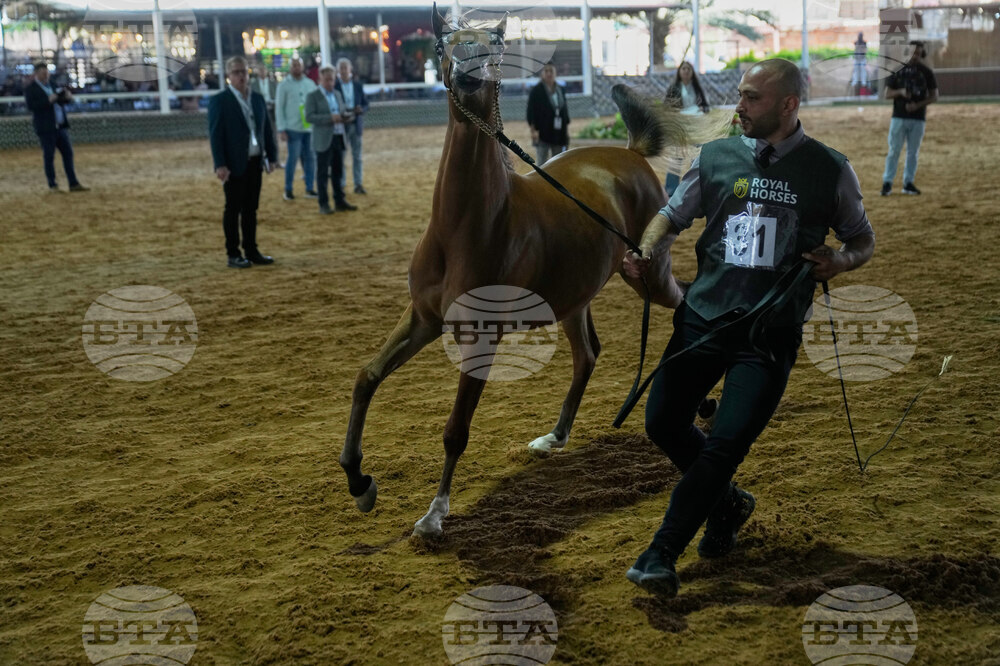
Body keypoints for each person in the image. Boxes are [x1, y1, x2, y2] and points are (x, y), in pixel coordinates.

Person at [621, 59, 875, 598]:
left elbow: (862, 238)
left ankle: (662, 552)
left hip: (769, 334)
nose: (739, 106)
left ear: (789, 105)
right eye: (740, 95)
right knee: (663, 423)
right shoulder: (714, 157)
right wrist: (646, 251)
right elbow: (671, 213)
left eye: (753, 98)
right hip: (703, 318)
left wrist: (842, 261)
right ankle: (730, 503)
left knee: (724, 445)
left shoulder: (830, 170)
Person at [208, 56, 278, 269]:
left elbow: (267, 129)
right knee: (232, 209)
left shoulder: (257, 98)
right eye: (236, 72)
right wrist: (220, 164)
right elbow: (216, 135)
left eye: (244, 72)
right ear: (229, 76)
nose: (241, 76)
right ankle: (233, 253)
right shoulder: (220, 100)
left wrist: (272, 156)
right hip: (233, 164)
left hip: (255, 160)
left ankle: (251, 249)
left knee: (251, 209)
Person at [881, 41, 937, 196]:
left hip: (918, 118)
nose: (915, 56)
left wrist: (917, 105)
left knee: (913, 152)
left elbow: (934, 96)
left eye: (918, 53)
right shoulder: (897, 70)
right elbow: (886, 94)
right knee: (894, 151)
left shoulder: (927, 72)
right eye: (913, 52)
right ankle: (887, 182)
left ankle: (908, 182)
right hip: (899, 117)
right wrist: (900, 92)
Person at [24, 61, 89, 192]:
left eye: (47, 73)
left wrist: (67, 97)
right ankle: (52, 185)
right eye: (43, 73)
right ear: (37, 74)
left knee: (68, 154)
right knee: (49, 156)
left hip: (60, 126)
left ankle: (73, 183)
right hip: (46, 128)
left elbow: (60, 101)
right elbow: (32, 106)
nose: (46, 75)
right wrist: (48, 100)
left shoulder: (52, 85)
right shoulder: (30, 89)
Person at [305, 65, 358, 215]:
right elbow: (309, 117)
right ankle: (323, 203)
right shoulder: (313, 96)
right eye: (327, 80)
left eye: (332, 80)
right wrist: (330, 118)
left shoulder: (337, 94)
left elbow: (342, 112)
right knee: (322, 173)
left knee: (338, 172)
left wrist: (348, 116)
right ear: (319, 80)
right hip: (323, 139)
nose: (330, 83)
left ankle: (339, 201)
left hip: (338, 136)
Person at [663, 61, 711, 197]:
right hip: (680, 126)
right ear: (679, 71)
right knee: (676, 157)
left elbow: (706, 106)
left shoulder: (697, 87)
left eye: (688, 69)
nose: (686, 71)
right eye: (683, 69)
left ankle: (694, 189)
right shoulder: (674, 88)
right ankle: (671, 190)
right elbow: (667, 106)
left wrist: (702, 109)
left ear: (692, 72)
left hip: (695, 126)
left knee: (696, 157)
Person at [275, 57, 318, 200]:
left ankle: (309, 188)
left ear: (303, 66)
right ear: (289, 68)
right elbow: (279, 108)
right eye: (293, 66)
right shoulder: (283, 86)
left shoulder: (310, 84)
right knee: (292, 159)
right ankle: (288, 189)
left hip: (309, 128)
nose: (296, 68)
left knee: (310, 159)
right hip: (292, 128)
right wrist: (281, 128)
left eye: (298, 65)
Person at [334, 57, 369, 195]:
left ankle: (358, 184)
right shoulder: (335, 86)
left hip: (356, 123)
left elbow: (367, 104)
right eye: (341, 68)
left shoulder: (358, 85)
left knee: (357, 156)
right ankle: (341, 184)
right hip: (341, 125)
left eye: (345, 67)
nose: (343, 70)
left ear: (350, 70)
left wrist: (362, 109)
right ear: (338, 70)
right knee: (340, 156)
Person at [526, 63, 570, 164]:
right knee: (542, 162)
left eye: (551, 71)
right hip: (542, 132)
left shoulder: (561, 89)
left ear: (555, 73)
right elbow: (531, 112)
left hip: (559, 132)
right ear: (542, 73)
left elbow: (565, 111)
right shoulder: (536, 91)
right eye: (546, 71)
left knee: (557, 161)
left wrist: (566, 131)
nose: (549, 73)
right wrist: (533, 131)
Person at [250, 62, 279, 164]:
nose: (262, 72)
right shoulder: (253, 85)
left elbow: (278, 98)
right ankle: (261, 159)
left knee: (273, 136)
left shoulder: (273, 84)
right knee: (260, 135)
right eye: (260, 70)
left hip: (272, 111)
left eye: (263, 70)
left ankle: (275, 159)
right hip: (259, 112)